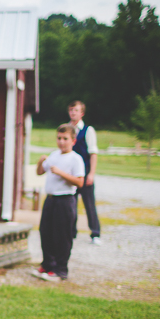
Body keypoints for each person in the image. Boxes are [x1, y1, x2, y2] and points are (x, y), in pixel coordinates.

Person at [32, 124, 85, 281]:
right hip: (50, 199)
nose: (61, 142)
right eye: (59, 138)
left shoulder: (75, 159)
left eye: (65, 139)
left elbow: (80, 182)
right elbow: (40, 172)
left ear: (73, 141)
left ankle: (61, 269)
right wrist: (40, 162)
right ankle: (47, 265)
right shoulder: (54, 155)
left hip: (65, 200)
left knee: (61, 235)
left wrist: (61, 173)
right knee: (45, 232)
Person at [68, 100, 101, 245]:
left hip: (85, 172)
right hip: (70, 173)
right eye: (71, 110)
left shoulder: (88, 130)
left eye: (76, 110)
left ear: (81, 113)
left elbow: (93, 153)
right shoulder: (67, 129)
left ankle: (95, 233)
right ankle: (71, 232)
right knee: (70, 204)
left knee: (89, 204)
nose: (73, 113)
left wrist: (91, 173)